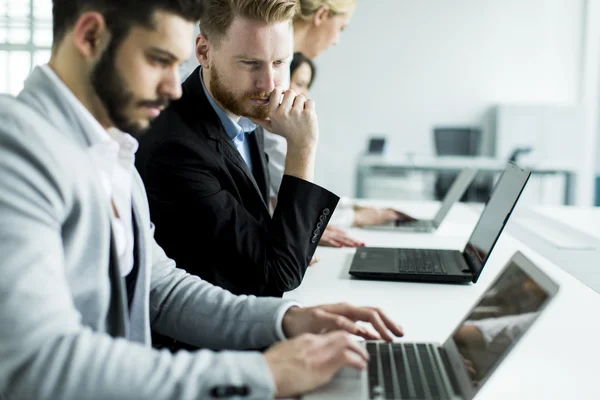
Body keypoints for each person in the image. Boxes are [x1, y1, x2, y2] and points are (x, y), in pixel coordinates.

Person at [0, 1, 406, 399]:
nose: (174, 88)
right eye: (159, 60)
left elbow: (160, 290)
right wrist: (263, 374)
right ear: (90, 36)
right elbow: (37, 363)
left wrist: (286, 320)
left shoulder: (111, 147)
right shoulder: (15, 150)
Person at [135, 0, 340, 298]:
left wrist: (292, 239)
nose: (269, 83)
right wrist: (302, 147)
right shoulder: (177, 150)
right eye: (250, 63)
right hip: (206, 336)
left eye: (280, 62)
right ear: (204, 52)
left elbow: (262, 237)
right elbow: (279, 275)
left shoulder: (242, 110)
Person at [265, 50, 415, 247]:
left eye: (307, 86)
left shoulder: (278, 134)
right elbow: (296, 210)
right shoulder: (271, 135)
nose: (305, 94)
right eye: (299, 84)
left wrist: (354, 207)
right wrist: (356, 217)